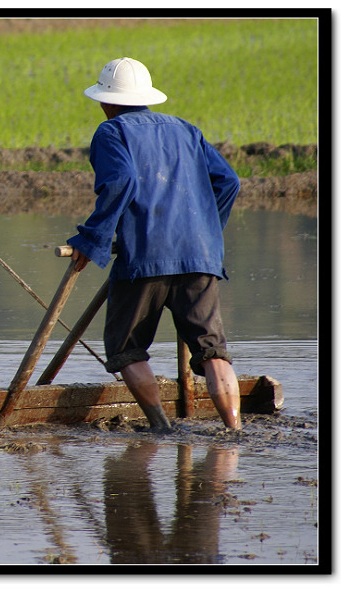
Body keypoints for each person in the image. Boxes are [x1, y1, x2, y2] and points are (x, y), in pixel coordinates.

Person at [67, 58, 242, 431]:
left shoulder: (111, 132)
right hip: (200, 258)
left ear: (105, 100)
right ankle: (234, 431)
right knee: (212, 351)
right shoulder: (186, 129)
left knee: (125, 347)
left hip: (144, 258)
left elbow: (121, 182)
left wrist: (92, 239)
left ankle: (162, 428)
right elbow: (229, 182)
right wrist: (206, 232)